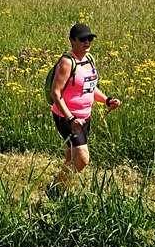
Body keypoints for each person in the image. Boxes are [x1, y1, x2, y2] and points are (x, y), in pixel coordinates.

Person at [49, 22, 120, 186]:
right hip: (68, 118)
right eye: (82, 39)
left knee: (71, 156)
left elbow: (90, 88)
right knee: (82, 159)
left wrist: (107, 100)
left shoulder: (89, 59)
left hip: (85, 117)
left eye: (89, 39)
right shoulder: (67, 63)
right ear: (72, 41)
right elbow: (55, 93)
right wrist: (70, 118)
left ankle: (59, 187)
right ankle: (56, 187)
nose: (86, 42)